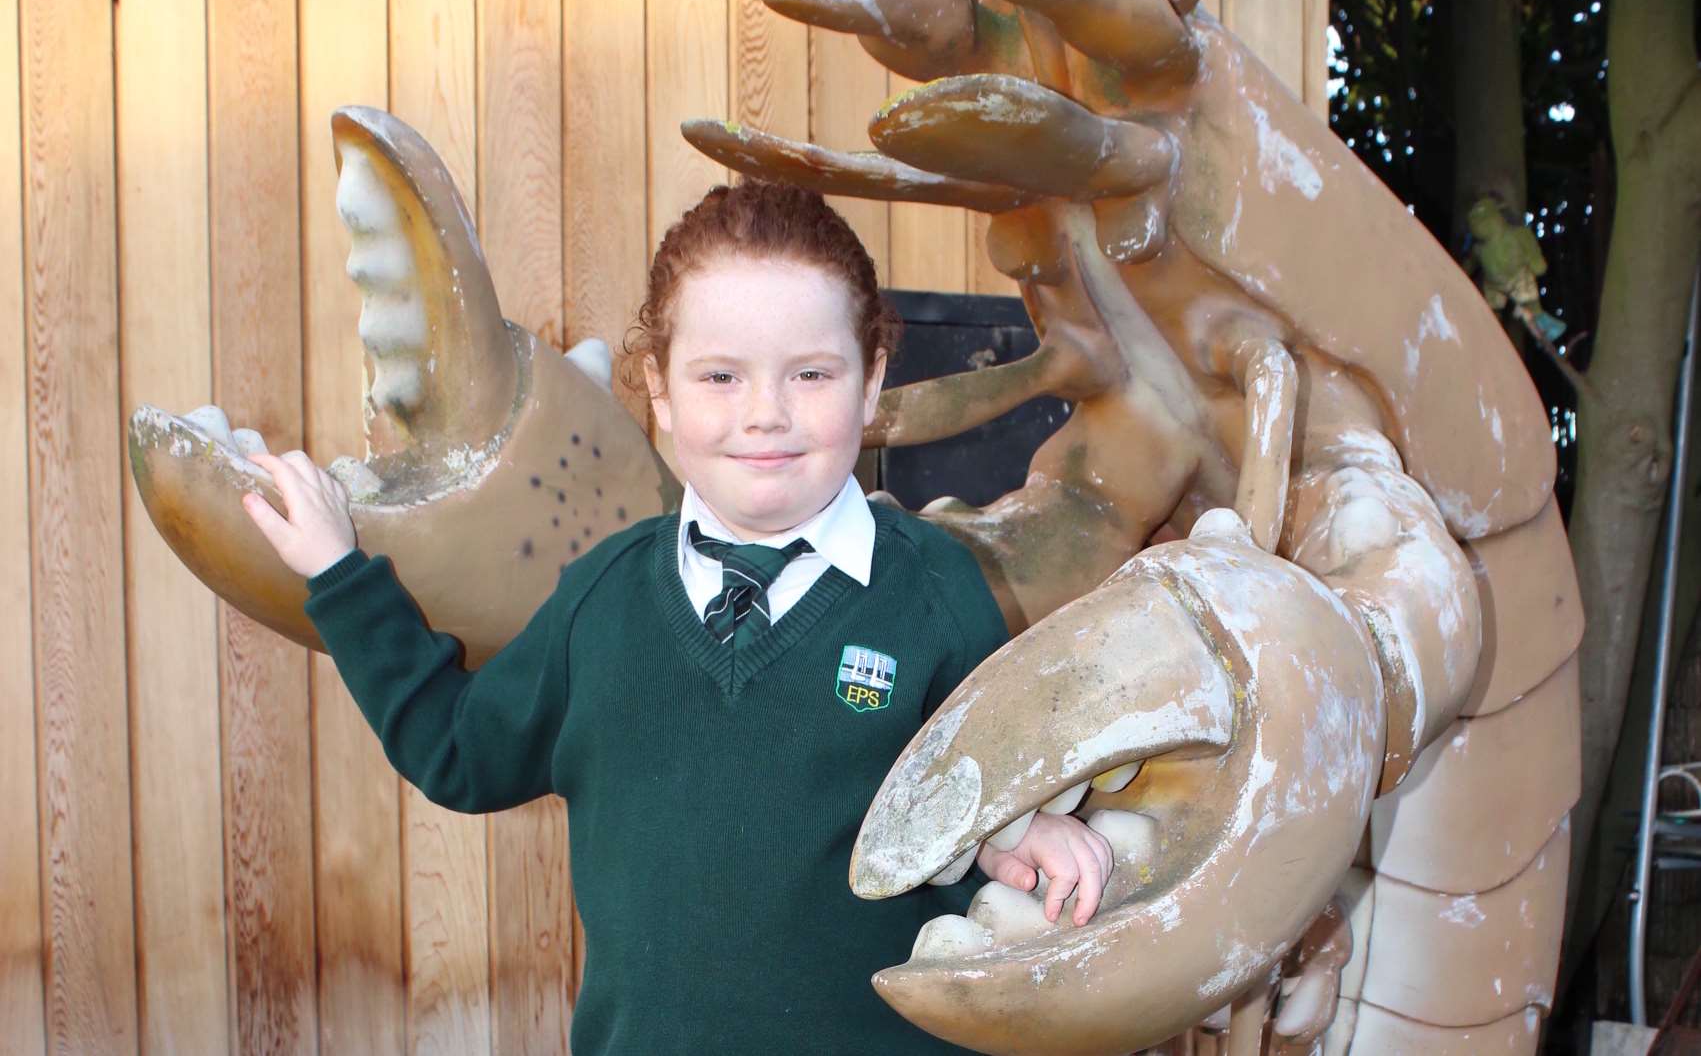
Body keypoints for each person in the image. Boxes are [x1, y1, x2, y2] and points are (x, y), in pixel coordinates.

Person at [242, 180, 1113, 1055]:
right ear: (659, 390)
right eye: (720, 376)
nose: (764, 412)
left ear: (872, 380)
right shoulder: (602, 601)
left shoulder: (941, 593)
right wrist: (338, 574)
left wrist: (1018, 828)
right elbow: (456, 751)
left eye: (810, 373)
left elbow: (989, 794)